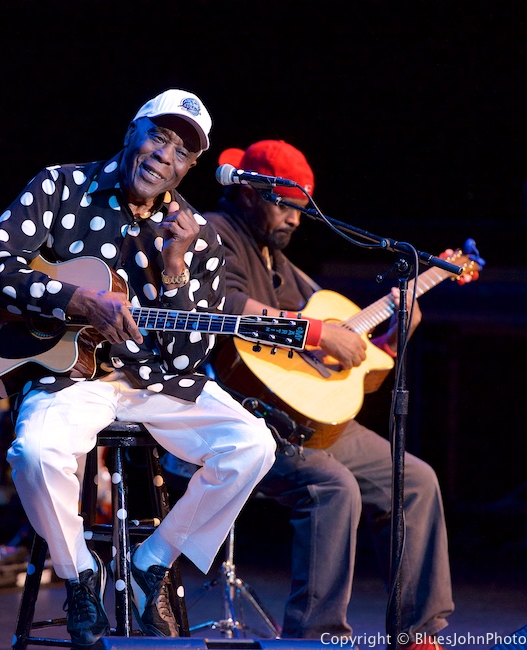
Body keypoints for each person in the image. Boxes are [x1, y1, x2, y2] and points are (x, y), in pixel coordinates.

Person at [0, 90, 276, 647]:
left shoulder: (196, 236)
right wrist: (78, 302)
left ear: (188, 168)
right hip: (73, 375)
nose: (165, 155)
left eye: (181, 152)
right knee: (34, 454)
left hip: (157, 382)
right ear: (133, 132)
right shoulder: (60, 187)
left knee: (253, 446)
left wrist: (174, 267)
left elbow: (188, 359)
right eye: (158, 137)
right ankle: (80, 574)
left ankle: (153, 560)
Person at [202, 140, 476, 645]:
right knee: (334, 487)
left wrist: (392, 332)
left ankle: (417, 633)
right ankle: (314, 637)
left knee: (413, 479)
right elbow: (227, 309)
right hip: (235, 415)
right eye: (283, 204)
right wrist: (318, 334)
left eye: (301, 209)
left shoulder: (279, 261)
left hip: (299, 418)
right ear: (246, 193)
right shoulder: (213, 234)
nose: (294, 220)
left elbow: (338, 341)